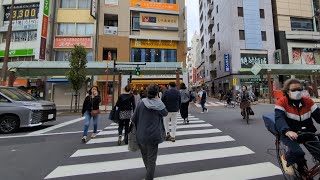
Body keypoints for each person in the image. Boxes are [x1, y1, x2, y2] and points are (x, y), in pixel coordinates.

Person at [275, 78, 320, 175]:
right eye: (294, 90)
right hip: (290, 134)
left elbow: (318, 115)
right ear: (287, 91)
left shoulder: (308, 101)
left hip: (307, 133)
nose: (297, 92)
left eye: (299, 89)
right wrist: (287, 131)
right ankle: (286, 157)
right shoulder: (282, 102)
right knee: (298, 153)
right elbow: (279, 119)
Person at [131, 84, 168, 180]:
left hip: (141, 134)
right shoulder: (159, 104)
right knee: (152, 159)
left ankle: (149, 172)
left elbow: (134, 118)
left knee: (145, 156)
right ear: (157, 93)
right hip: (154, 135)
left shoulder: (141, 103)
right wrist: (158, 99)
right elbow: (165, 113)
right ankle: (149, 176)